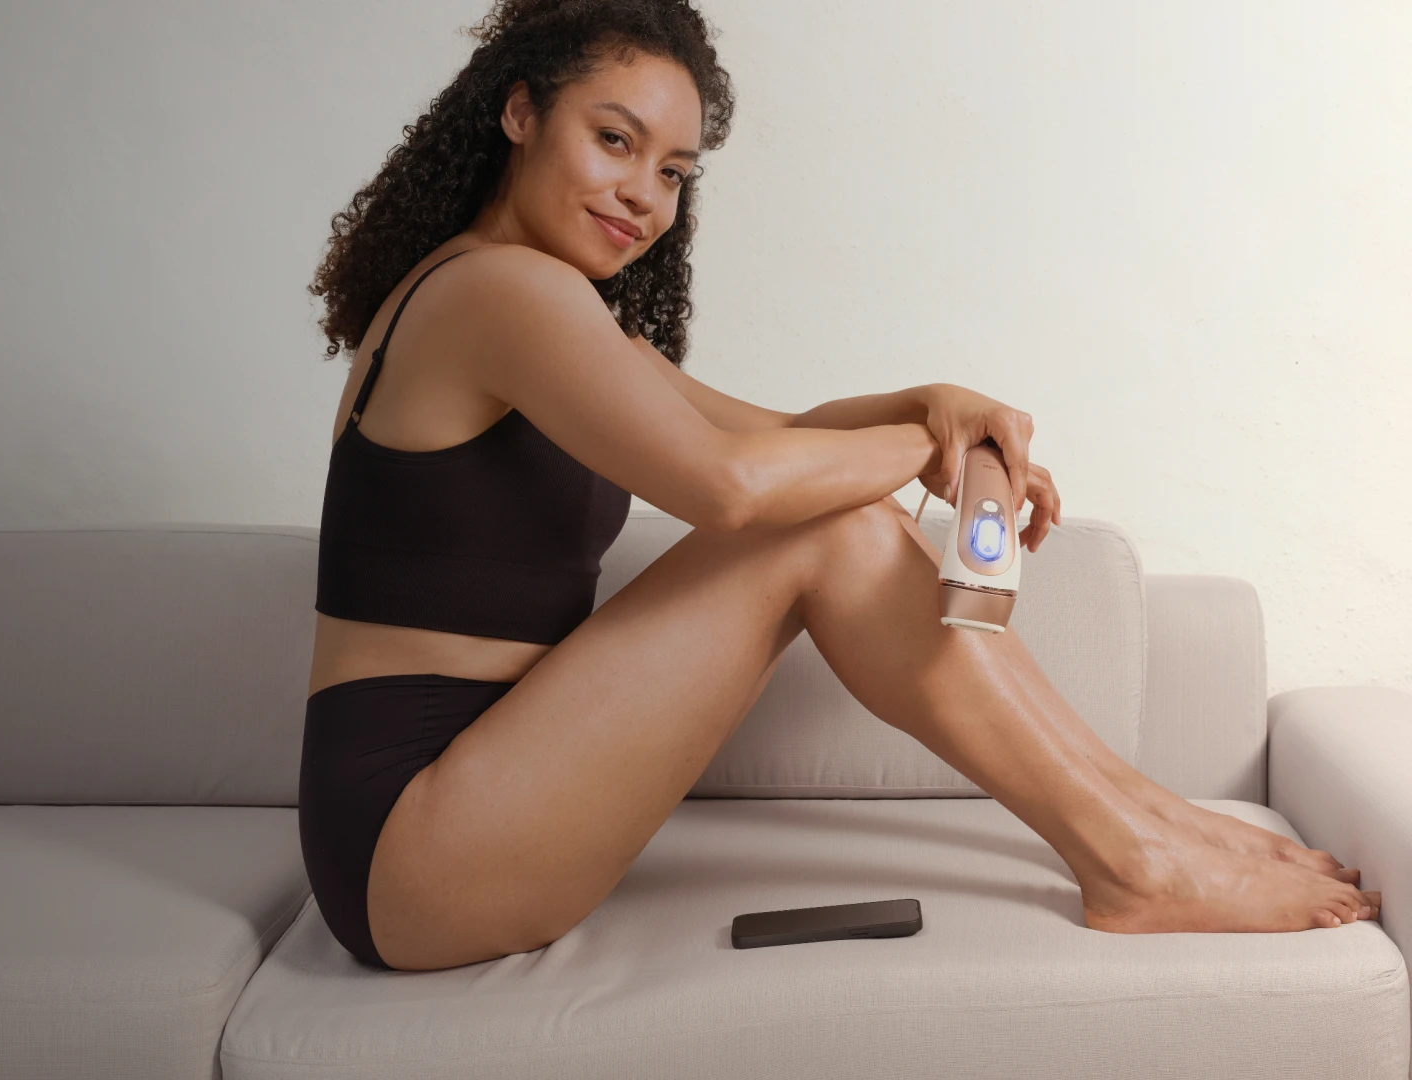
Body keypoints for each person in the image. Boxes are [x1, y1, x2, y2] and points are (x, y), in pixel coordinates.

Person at [299, 0, 1378, 973]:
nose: (644, 194)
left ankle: (1152, 823)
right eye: (615, 139)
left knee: (830, 510)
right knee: (820, 528)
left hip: (491, 785)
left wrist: (930, 403)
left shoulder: (553, 310)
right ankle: (1135, 852)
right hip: (414, 841)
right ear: (522, 113)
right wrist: (924, 454)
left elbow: (776, 433)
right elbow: (732, 485)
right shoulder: (502, 292)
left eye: (675, 170)